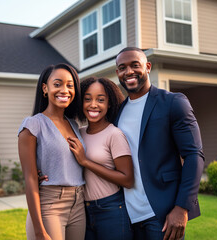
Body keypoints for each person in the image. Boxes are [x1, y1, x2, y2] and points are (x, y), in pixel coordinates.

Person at [114, 47, 205, 240]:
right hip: (126, 216)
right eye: (122, 68)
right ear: (117, 73)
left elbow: (194, 156)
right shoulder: (117, 113)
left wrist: (182, 207)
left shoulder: (173, 103)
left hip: (163, 214)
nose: (128, 71)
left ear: (147, 67)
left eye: (135, 65)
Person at [18, 63, 86, 240]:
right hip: (51, 204)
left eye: (70, 85)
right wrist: (39, 231)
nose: (64, 90)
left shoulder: (74, 125)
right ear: (45, 88)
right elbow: (30, 178)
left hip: (79, 204)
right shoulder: (33, 124)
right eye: (57, 84)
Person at [67, 77, 134, 240]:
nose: (93, 105)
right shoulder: (78, 132)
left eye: (101, 100)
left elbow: (127, 179)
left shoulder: (114, 134)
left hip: (111, 210)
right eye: (87, 99)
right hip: (83, 210)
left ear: (109, 103)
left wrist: (86, 162)